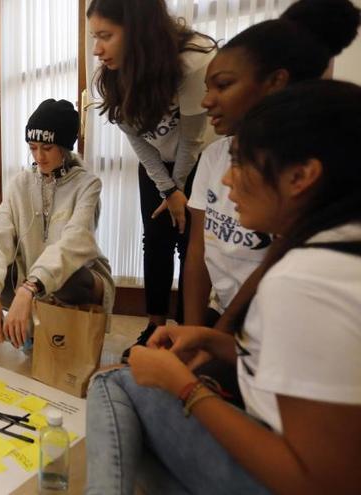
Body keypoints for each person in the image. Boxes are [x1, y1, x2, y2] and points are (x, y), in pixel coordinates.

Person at [85, 80, 361, 495]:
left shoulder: (303, 281)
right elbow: (310, 375)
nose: (228, 183)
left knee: (114, 384)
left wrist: (185, 387)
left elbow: (317, 481)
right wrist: (216, 343)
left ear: (301, 176)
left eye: (242, 162)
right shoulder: (340, 247)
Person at [183, 0, 360, 330]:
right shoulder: (213, 156)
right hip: (227, 318)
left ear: (276, 82)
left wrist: (212, 346)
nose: (206, 101)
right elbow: (198, 250)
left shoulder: (300, 173)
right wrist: (195, 334)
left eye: (223, 85)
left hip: (269, 323)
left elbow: (274, 264)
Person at [87, 0, 217, 351]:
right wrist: (167, 189)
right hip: (158, 165)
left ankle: (188, 333)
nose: (97, 49)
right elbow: (137, 138)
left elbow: (192, 137)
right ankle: (155, 327)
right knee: (156, 239)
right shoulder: (114, 73)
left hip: (199, 160)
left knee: (192, 246)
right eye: (93, 37)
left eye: (106, 36)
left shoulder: (191, 61)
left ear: (139, 31)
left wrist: (179, 190)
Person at [0, 99, 115, 349]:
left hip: (76, 279)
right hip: (34, 278)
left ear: (64, 147)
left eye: (47, 148)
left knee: (68, 277)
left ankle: (56, 324)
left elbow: (75, 242)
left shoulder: (88, 185)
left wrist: (29, 288)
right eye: (33, 147)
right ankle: (33, 325)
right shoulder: (21, 183)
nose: (39, 157)